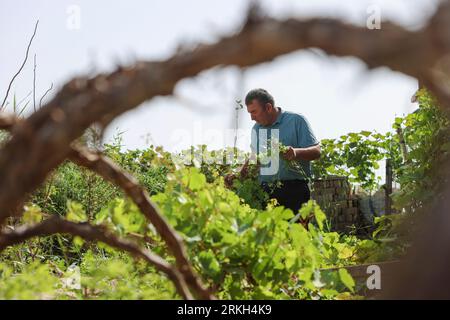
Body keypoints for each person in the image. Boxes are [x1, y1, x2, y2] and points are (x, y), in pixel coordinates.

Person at [226, 88, 321, 214]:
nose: (251, 118)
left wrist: (296, 153)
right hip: (265, 192)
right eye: (249, 113)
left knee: (297, 232)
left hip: (295, 191)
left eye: (254, 112)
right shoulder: (256, 129)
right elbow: (255, 158)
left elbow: (317, 151)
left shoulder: (296, 120)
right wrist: (238, 176)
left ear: (268, 107)